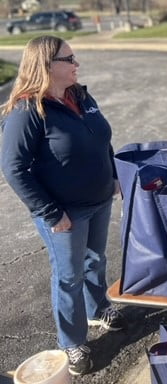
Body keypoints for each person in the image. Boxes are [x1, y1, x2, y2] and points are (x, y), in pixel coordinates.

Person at [1, 36, 125, 375]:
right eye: (69, 59)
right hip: (64, 213)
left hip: (99, 200)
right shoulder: (28, 110)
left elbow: (103, 141)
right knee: (69, 277)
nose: (77, 63)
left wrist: (114, 176)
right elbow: (13, 168)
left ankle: (98, 308)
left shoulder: (81, 96)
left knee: (96, 260)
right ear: (46, 65)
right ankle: (71, 342)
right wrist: (50, 212)